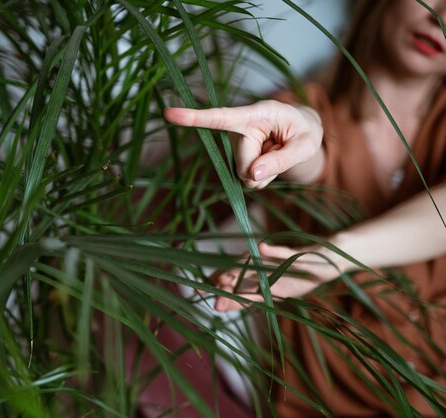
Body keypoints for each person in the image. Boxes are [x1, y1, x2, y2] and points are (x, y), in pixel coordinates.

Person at [164, 0, 446, 416]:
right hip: (337, 381)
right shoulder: (307, 112)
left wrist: (331, 258)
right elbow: (308, 143)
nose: (440, 15)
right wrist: (297, 135)